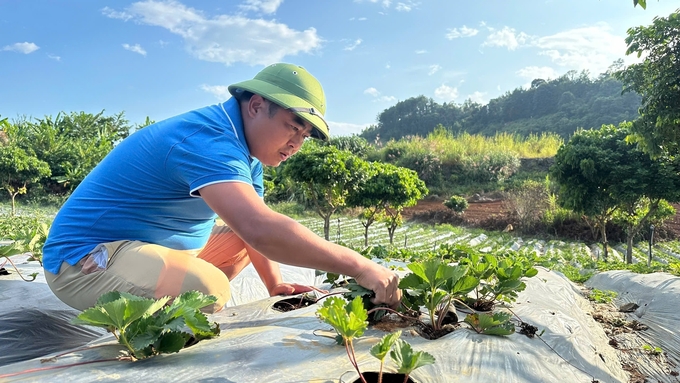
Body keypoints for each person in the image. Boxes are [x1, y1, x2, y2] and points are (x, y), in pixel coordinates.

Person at [42, 63, 401, 313]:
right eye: (294, 127)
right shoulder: (208, 139)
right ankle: (148, 326)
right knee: (208, 291)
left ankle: (165, 301)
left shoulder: (248, 153)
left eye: (305, 136)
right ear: (257, 106)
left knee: (242, 232)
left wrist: (274, 285)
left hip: (145, 250)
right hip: (86, 261)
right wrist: (359, 266)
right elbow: (259, 230)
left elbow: (253, 226)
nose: (297, 143)